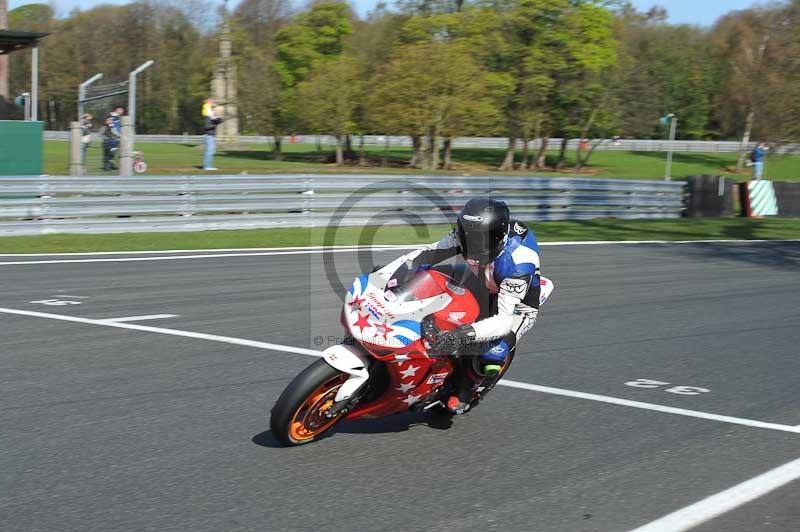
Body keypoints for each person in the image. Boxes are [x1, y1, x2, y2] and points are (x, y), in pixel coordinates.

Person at [393, 198, 541, 414]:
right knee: (429, 281)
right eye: (468, 236)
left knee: (493, 350)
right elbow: (425, 254)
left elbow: (502, 321)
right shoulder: (466, 234)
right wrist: (390, 274)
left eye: (482, 240)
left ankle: (468, 387)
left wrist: (460, 335)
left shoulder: (517, 264)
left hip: (516, 303)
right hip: (481, 278)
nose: (473, 245)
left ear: (499, 237)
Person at [202, 98, 223, 171]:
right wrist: (214, 125)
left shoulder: (210, 116)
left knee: (212, 151)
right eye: (212, 102)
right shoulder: (207, 117)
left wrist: (218, 121)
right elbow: (207, 127)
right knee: (209, 151)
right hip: (209, 136)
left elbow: (214, 123)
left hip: (212, 136)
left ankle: (210, 166)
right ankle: (206, 166)